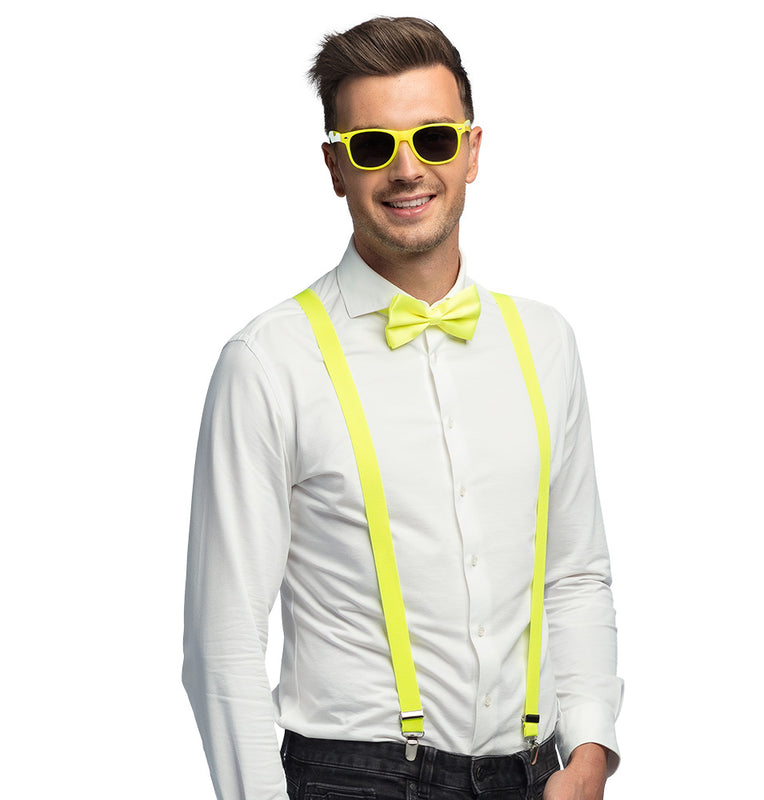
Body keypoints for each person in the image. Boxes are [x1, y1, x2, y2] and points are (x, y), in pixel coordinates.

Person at [183, 16, 623, 800]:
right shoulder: (269, 361)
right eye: (373, 147)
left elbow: (574, 573)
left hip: (533, 772)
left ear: (473, 151)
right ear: (335, 166)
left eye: (434, 139)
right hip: (353, 776)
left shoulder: (545, 342)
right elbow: (224, 640)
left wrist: (589, 749)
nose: (407, 169)